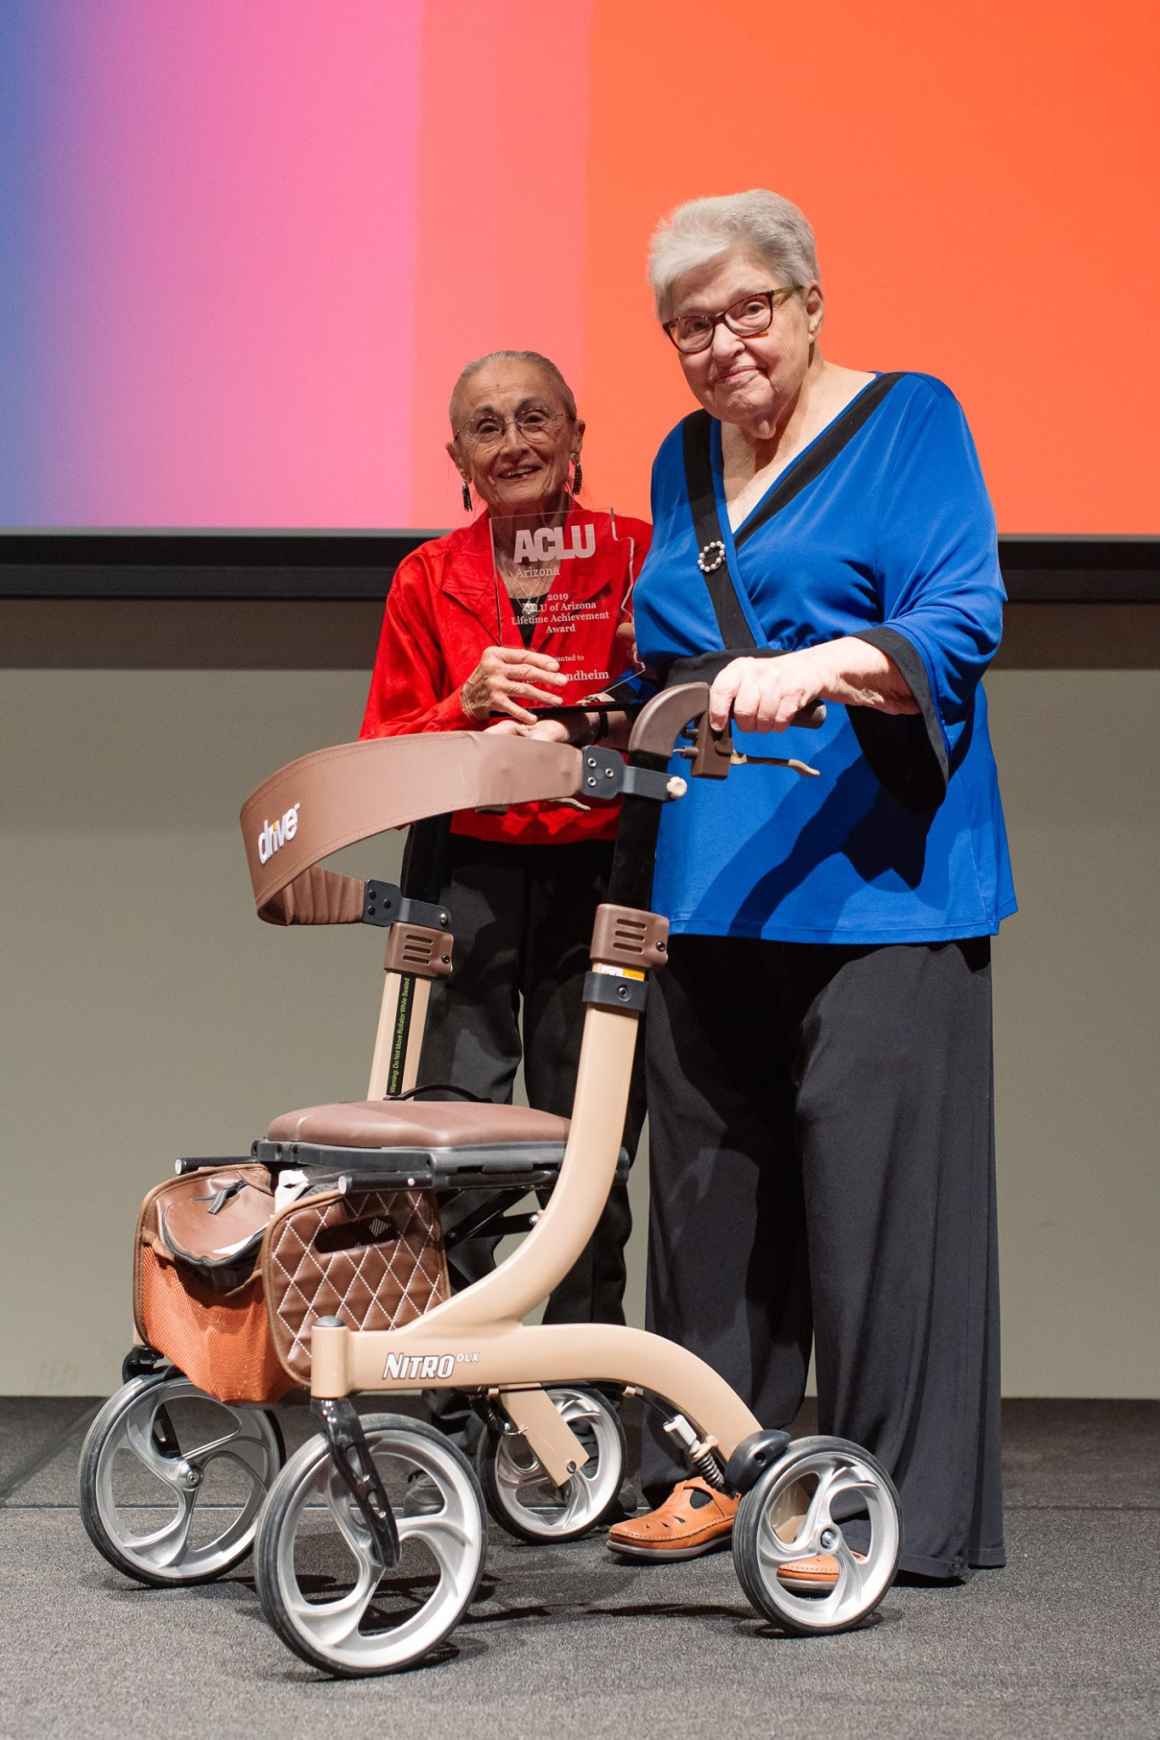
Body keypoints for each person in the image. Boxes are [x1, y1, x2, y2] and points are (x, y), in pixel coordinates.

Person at [531, 192, 1014, 1581]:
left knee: (874, 1202)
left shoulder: (913, 420)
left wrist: (823, 662)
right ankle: (720, 1463)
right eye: (691, 325)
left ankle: (871, 1499)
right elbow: (662, 653)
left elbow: (957, 617)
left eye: (749, 308)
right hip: (709, 879)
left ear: (809, 301)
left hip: (880, 886)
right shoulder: (685, 457)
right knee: (709, 1193)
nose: (724, 343)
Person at [360, 350, 650, 1451]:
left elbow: (676, 703)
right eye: (487, 427)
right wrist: (461, 700)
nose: (514, 441)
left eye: (535, 418)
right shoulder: (427, 577)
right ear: (457, 459)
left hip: (598, 871)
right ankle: (463, 1398)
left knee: (593, 1149)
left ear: (578, 431)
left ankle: (589, 1391)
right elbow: (384, 752)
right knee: (459, 1137)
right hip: (467, 875)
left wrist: (600, 714)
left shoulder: (635, 553)